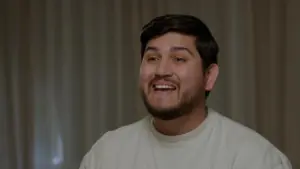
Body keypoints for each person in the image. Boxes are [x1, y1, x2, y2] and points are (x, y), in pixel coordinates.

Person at [79, 14, 292, 169]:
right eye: (152, 58)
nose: (161, 71)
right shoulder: (107, 154)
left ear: (209, 77)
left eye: (179, 59)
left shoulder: (254, 158)